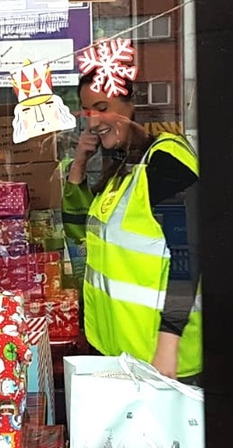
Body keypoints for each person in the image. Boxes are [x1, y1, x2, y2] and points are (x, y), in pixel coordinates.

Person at [63, 70, 201, 383]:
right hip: (121, 357)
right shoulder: (124, 169)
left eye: (102, 108)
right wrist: (79, 167)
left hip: (162, 361)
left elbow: (191, 255)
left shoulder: (166, 162)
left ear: (133, 105)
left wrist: (169, 342)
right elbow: (77, 234)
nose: (94, 122)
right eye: (87, 113)